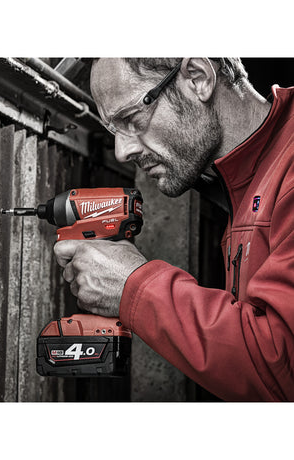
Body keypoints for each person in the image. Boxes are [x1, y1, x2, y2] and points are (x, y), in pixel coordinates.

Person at [53, 58, 294, 401]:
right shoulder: (249, 179)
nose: (122, 151)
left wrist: (132, 286)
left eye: (131, 118)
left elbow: (283, 367)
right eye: (113, 130)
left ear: (198, 78)